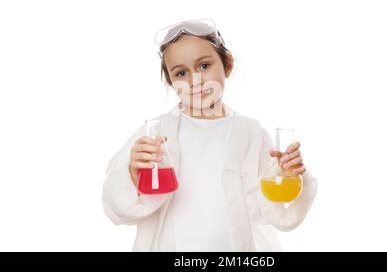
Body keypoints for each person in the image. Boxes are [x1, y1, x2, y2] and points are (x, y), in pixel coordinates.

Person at [102, 18, 318, 251]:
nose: (195, 80)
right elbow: (118, 205)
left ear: (227, 65)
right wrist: (135, 178)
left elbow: (271, 212)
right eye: (181, 73)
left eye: (204, 66)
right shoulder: (157, 133)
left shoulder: (249, 133)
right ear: (171, 82)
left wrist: (285, 173)